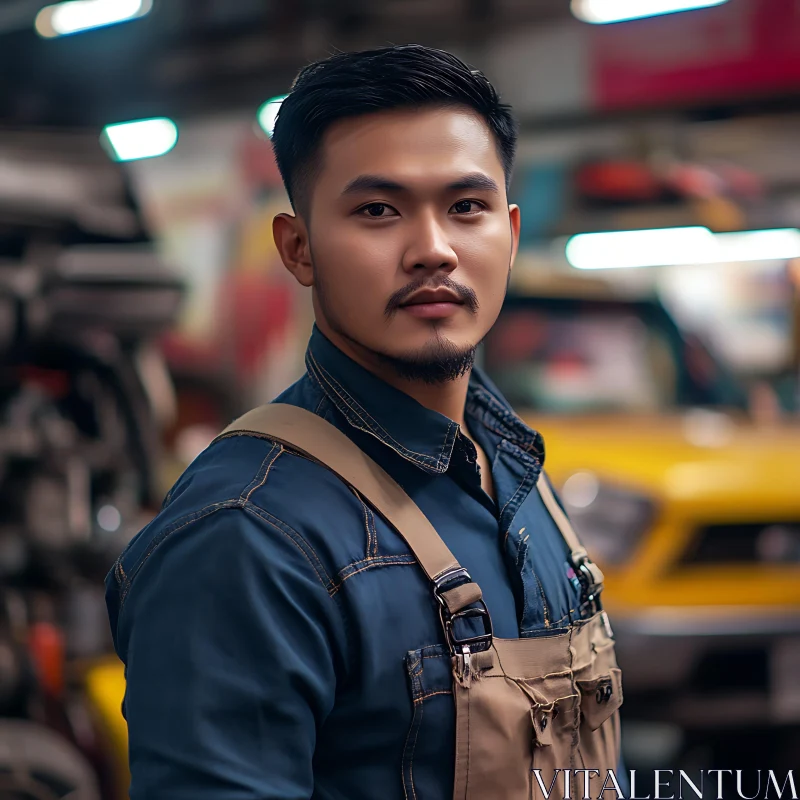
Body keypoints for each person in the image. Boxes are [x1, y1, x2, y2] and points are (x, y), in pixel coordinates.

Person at [106, 45, 622, 800]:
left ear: (509, 235)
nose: (433, 250)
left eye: (466, 208)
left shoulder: (519, 474)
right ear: (299, 247)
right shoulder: (245, 536)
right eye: (378, 211)